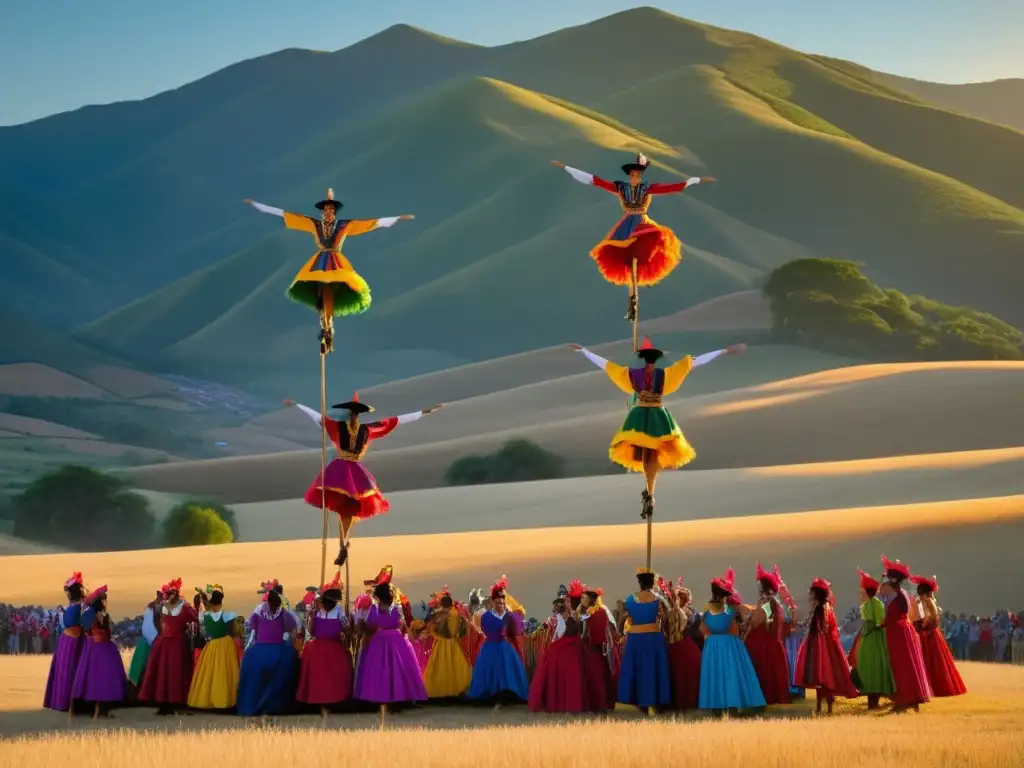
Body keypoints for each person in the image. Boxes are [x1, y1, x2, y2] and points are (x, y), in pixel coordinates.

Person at [569, 338, 745, 519]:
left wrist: (724, 351)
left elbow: (606, 365)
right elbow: (606, 365)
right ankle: (649, 492)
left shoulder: (644, 374)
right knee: (647, 452)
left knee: (651, 453)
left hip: (649, 414)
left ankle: (650, 492)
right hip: (647, 415)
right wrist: (585, 351)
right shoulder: (649, 374)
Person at [244, 189, 414, 352]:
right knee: (321, 291)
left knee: (329, 291)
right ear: (322, 211)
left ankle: (328, 327)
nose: (328, 212)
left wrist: (397, 218)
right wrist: (258, 206)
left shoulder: (344, 225)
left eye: (331, 209)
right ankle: (325, 326)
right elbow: (287, 216)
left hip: (336, 262)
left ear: (335, 212)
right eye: (326, 209)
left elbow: (369, 224)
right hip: (320, 263)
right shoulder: (314, 224)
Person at [550, 155, 715, 320]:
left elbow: (673, 187)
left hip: (642, 224)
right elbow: (595, 180)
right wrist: (566, 167)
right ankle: (632, 302)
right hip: (626, 225)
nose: (634, 177)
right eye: (632, 175)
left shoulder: (647, 189)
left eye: (637, 175)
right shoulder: (621, 188)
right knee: (627, 261)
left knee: (640, 257)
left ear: (640, 176)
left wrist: (696, 180)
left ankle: (635, 300)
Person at [286, 397, 442, 566]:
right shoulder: (368, 429)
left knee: (343, 511)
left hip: (338, 471)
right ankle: (344, 543)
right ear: (360, 415)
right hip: (355, 471)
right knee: (350, 511)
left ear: (347, 414)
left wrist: (297, 405)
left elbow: (317, 417)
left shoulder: (337, 426)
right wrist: (424, 412)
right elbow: (396, 421)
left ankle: (343, 545)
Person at [698, 568, 766, 715]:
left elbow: (703, 629)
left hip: (712, 646)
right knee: (731, 675)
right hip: (729, 646)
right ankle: (733, 705)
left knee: (715, 675)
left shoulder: (706, 611)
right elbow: (737, 629)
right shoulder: (733, 611)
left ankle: (716, 706)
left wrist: (712, 636)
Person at [352, 582, 427, 713]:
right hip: (396, 641)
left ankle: (381, 700)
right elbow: (402, 625)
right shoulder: (396, 608)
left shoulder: (375, 609)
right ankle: (397, 701)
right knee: (396, 671)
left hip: (379, 641)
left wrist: (363, 625)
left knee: (379, 672)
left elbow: (371, 625)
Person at [794, 578, 858, 715]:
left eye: (811, 593)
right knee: (822, 678)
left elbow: (820, 629)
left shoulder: (821, 609)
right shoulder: (822, 607)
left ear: (816, 594)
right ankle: (821, 707)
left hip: (819, 647)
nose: (809, 596)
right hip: (821, 646)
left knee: (823, 677)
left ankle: (824, 707)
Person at [237, 582, 300, 717]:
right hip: (278, 649)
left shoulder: (260, 611)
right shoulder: (282, 613)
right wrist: (292, 645)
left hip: (261, 649)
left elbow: (251, 627)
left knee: (250, 670)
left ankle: (254, 705)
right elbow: (293, 629)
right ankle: (277, 706)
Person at [878, 555, 932, 712]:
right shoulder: (901, 594)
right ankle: (909, 699)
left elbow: (891, 615)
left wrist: (882, 623)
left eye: (888, 577)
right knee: (906, 665)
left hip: (899, 633)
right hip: (901, 631)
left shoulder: (897, 595)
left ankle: (904, 699)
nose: (885, 580)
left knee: (902, 666)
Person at [139, 579, 198, 715]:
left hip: (172, 643)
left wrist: (183, 631)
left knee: (172, 673)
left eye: (170, 593)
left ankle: (173, 703)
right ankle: (166, 703)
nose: (168, 596)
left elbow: (194, 621)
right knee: (165, 674)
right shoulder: (168, 607)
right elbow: (156, 619)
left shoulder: (179, 607)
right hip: (169, 643)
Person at [468, 576, 529, 709]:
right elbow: (477, 625)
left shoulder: (509, 615)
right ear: (493, 603)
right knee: (489, 672)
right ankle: (490, 696)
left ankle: (506, 695)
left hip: (504, 647)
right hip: (490, 646)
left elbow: (517, 628)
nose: (500, 605)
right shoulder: (486, 615)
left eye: (502, 602)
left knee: (507, 671)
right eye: (498, 603)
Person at [296, 572, 354, 711]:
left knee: (334, 676)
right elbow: (311, 631)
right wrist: (311, 617)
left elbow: (347, 629)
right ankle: (318, 701)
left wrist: (347, 640)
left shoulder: (339, 611)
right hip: (318, 647)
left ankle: (333, 701)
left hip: (334, 646)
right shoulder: (316, 612)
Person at [618, 568, 672, 714]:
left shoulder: (630, 599)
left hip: (635, 638)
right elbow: (668, 618)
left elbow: (623, 618)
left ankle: (639, 702)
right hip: (654, 638)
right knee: (653, 668)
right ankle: (656, 701)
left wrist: (620, 632)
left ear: (640, 583)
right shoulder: (659, 599)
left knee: (637, 668)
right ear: (652, 583)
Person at [70, 585, 126, 719]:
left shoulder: (87, 612)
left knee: (92, 678)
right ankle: (100, 710)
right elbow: (105, 631)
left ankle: (95, 710)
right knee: (104, 678)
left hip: (91, 647)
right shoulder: (99, 614)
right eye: (103, 599)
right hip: (101, 647)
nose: (105, 601)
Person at [742, 562, 792, 706]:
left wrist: (750, 615)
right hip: (772, 645)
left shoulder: (767, 605)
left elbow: (756, 622)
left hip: (764, 647)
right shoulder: (776, 604)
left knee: (764, 674)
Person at [528, 596, 590, 713]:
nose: (566, 604)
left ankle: (572, 705)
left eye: (568, 601)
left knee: (573, 679)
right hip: (558, 653)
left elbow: (583, 632)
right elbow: (543, 629)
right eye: (565, 602)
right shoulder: (555, 619)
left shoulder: (578, 616)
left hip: (573, 653)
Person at [910, 575, 967, 697]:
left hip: (925, 635)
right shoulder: (933, 603)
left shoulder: (923, 604)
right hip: (934, 635)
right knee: (939, 661)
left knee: (927, 661)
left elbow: (923, 620)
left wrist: (916, 623)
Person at [188, 584, 240, 711]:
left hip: (211, 645)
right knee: (225, 673)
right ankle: (225, 700)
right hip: (226, 645)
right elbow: (235, 630)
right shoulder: (228, 615)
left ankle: (208, 700)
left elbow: (205, 631)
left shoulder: (205, 616)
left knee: (209, 674)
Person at [848, 568, 894, 709]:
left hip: (872, 639)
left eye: (862, 592)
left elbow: (878, 621)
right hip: (873, 638)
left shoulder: (872, 604)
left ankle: (872, 698)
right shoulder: (873, 604)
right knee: (871, 666)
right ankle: (872, 697)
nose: (860, 595)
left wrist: (869, 626)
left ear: (867, 593)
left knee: (870, 666)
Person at [44, 572, 87, 714]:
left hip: (71, 641)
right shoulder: (80, 605)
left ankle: (68, 702)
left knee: (68, 671)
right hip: (72, 641)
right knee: (68, 671)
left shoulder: (80, 606)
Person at [423, 587, 473, 700]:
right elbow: (463, 630)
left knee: (441, 667)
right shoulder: (457, 614)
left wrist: (434, 632)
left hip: (442, 644)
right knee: (455, 668)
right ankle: (456, 691)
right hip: (454, 644)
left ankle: (442, 692)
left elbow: (433, 629)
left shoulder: (440, 615)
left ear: (442, 604)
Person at [661, 577, 701, 712]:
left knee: (675, 677)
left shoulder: (667, 613)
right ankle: (688, 702)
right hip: (687, 647)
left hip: (671, 648)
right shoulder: (691, 614)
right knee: (687, 677)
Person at [580, 587, 618, 714]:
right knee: (602, 674)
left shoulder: (589, 613)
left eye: (584, 598)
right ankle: (604, 704)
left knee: (595, 676)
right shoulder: (601, 611)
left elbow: (585, 632)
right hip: (601, 648)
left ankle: (598, 705)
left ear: (590, 599)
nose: (582, 600)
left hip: (593, 648)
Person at [127, 591, 161, 693]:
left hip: (146, 642)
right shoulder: (152, 610)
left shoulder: (150, 610)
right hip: (149, 643)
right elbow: (150, 630)